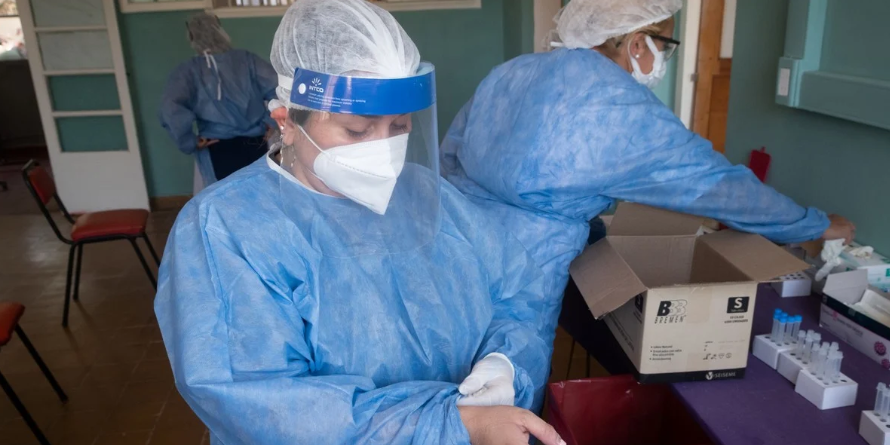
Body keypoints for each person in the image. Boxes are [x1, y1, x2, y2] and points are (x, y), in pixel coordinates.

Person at [155, 1, 564, 444]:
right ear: (287, 122)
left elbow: (517, 294)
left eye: (400, 126)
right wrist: (451, 425)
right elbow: (267, 408)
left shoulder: (426, 193)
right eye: (356, 130)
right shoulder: (224, 228)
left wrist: (505, 363)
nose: (383, 150)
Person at [440, 0, 856, 367]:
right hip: (527, 269)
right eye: (666, 45)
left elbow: (450, 154)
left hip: (454, 241)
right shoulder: (620, 106)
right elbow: (718, 187)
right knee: (501, 388)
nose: (665, 58)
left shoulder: (513, 71)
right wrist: (814, 224)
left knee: (444, 360)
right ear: (638, 43)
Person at [159, 12, 277, 189]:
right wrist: (270, 121)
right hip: (255, 142)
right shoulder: (247, 60)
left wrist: (190, 141)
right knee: (260, 192)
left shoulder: (188, 71)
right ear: (220, 30)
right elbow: (280, 88)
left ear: (191, 36)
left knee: (224, 197)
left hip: (216, 146)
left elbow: (169, 108)